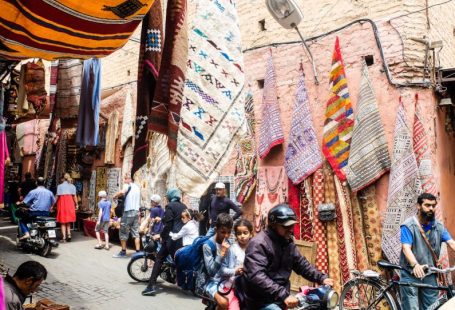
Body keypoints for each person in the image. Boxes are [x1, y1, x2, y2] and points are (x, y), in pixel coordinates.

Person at [238, 204, 334, 309]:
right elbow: (257, 276)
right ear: (274, 225)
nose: (291, 229)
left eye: (292, 226)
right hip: (261, 301)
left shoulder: (287, 242)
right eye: (286, 226)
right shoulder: (258, 244)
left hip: (280, 297)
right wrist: (283, 295)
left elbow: (301, 264)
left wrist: (321, 278)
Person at [400, 192, 455, 309]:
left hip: (429, 273)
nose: (431, 208)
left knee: (433, 307)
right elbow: (406, 248)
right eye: (427, 205)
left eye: (433, 206)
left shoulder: (438, 227)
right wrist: (415, 265)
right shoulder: (408, 226)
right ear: (418, 206)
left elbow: (451, 243)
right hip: (410, 273)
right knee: (411, 307)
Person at [142, 188, 187, 296]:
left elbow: (169, 224)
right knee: (177, 261)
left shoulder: (170, 206)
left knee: (159, 259)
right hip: (182, 238)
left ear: (170, 196)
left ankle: (151, 286)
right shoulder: (183, 206)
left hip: (171, 239)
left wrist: (161, 235)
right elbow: (178, 220)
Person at [219, 218, 254, 310]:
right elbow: (222, 270)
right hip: (231, 286)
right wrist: (235, 271)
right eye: (239, 233)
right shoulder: (232, 249)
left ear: (251, 234)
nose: (242, 236)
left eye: (245, 233)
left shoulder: (255, 249)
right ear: (236, 235)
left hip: (248, 287)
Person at [203, 213, 233, 310]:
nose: (226, 236)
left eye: (229, 232)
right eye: (223, 232)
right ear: (216, 230)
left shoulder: (228, 243)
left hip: (226, 280)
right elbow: (211, 272)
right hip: (210, 282)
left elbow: (231, 265)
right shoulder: (208, 245)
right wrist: (222, 253)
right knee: (224, 303)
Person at [112, 174, 141, 258]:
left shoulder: (127, 185)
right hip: (136, 212)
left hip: (128, 212)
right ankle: (138, 252)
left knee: (123, 232)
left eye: (125, 179)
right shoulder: (137, 187)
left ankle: (123, 252)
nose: (124, 181)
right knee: (136, 233)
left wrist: (115, 195)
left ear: (128, 179)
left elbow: (122, 191)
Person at [54, 173, 78, 242]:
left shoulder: (60, 186)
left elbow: (57, 196)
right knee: (68, 221)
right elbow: (75, 196)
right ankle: (69, 234)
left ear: (62, 179)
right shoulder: (73, 186)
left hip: (62, 204)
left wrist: (53, 204)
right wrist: (76, 204)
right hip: (70, 204)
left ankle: (64, 237)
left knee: (63, 222)